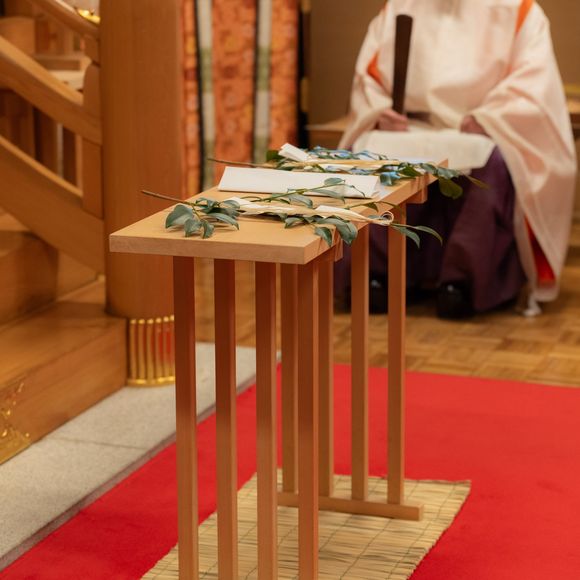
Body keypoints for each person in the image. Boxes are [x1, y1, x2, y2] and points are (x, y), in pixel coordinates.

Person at [335, 0, 577, 318]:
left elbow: (532, 84)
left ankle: (463, 283)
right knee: (367, 149)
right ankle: (375, 275)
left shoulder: (517, 9)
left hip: (481, 126)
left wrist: (490, 117)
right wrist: (380, 111)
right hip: (410, 126)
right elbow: (370, 78)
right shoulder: (400, 6)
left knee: (494, 162)